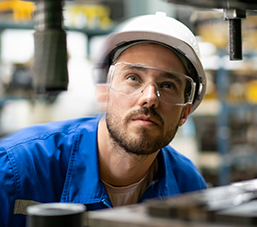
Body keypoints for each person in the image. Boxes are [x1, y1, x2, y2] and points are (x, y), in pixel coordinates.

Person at [0, 12, 207, 227]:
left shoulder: (187, 185)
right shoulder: (15, 170)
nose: (149, 98)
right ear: (102, 93)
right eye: (133, 78)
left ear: (185, 111)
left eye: (168, 85)